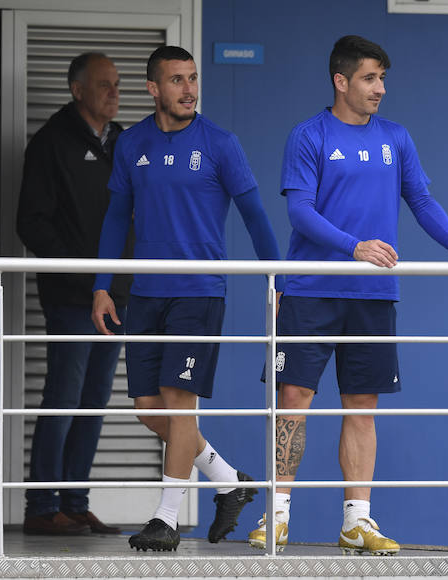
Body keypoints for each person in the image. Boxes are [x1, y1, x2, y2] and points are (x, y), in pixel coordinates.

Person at [247, 35, 448, 556]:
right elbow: (300, 212)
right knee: (293, 400)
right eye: (369, 78)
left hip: (374, 295)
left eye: (382, 78)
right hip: (311, 290)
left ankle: (357, 521)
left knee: (362, 405)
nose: (380, 89)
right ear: (341, 81)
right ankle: (279, 515)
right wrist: (353, 246)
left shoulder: (396, 138)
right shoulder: (308, 135)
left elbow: (420, 199)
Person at [91, 45, 281, 552]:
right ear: (153, 88)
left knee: (179, 404)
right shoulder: (132, 144)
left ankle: (166, 519)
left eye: (193, 78)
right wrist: (102, 284)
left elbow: (256, 216)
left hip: (198, 293)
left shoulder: (221, 143)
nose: (188, 88)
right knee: (148, 409)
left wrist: (278, 279)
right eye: (176, 80)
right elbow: (116, 217)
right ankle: (229, 481)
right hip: (146, 294)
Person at [16, 52, 131, 536]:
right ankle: (42, 509)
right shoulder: (50, 144)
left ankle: (74, 502)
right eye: (104, 85)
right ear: (77, 90)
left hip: (117, 297)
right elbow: (32, 223)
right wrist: (86, 278)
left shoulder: (124, 143)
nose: (114, 93)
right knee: (64, 397)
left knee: (94, 401)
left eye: (117, 84)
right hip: (72, 297)